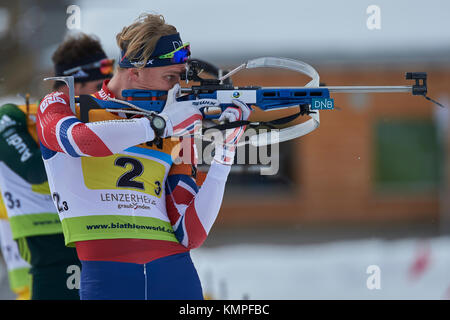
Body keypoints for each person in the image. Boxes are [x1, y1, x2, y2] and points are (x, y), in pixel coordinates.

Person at [36, 13, 251, 300]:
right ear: (135, 72)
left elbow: (190, 234)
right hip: (108, 273)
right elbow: (81, 140)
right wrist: (157, 126)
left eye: (180, 78)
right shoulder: (63, 103)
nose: (176, 88)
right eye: (169, 77)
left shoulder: (176, 127)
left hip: (174, 272)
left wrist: (225, 153)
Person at [0, 33, 114, 300]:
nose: (105, 94)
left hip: (91, 238)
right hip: (43, 248)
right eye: (100, 85)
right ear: (73, 83)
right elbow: (38, 173)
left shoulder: (103, 118)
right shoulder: (15, 117)